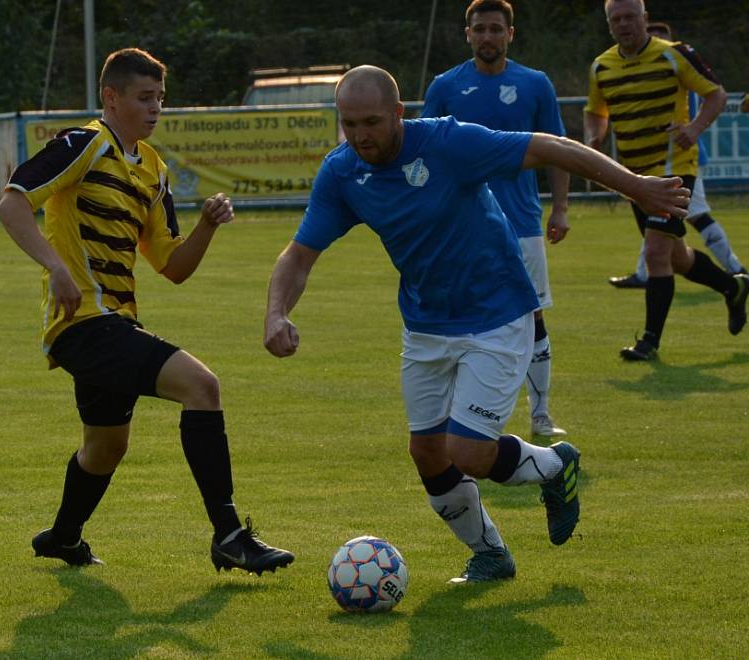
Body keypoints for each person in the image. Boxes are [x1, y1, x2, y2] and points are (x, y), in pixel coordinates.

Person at [263, 65, 690, 583]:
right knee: (426, 451)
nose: (359, 136)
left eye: (371, 122)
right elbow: (299, 255)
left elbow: (551, 146)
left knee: (466, 450)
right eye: (348, 124)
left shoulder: (448, 142)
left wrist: (635, 187)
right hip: (425, 323)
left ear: (400, 112)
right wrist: (277, 312)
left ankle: (555, 465)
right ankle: (489, 553)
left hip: (497, 312)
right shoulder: (343, 172)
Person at [0, 48, 294, 574]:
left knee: (105, 447)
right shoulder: (83, 144)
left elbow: (173, 266)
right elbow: (13, 202)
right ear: (111, 98)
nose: (155, 108)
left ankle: (64, 538)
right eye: (143, 98)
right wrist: (56, 267)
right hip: (82, 323)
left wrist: (206, 225)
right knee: (202, 387)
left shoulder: (154, 170)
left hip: (114, 324)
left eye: (160, 98)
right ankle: (229, 535)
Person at [421, 0, 569, 438]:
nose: (488, 36)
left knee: (533, 317)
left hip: (522, 223)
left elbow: (559, 151)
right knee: (457, 316)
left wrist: (560, 206)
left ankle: (541, 415)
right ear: (467, 34)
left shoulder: (535, 83)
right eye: (479, 29)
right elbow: (425, 152)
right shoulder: (445, 87)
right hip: (460, 228)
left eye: (495, 29)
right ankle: (457, 415)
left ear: (510, 34)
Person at [584, 0, 749, 361]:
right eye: (616, 19)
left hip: (674, 172)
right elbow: (596, 111)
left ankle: (649, 343)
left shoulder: (674, 53)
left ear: (645, 17)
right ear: (609, 25)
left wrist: (694, 128)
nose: (624, 24)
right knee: (676, 257)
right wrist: (594, 138)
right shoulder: (601, 67)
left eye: (630, 17)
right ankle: (733, 287)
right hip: (633, 178)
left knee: (656, 251)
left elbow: (716, 95)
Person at [608, 20, 746, 288]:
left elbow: (714, 97)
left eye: (661, 38)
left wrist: (693, 129)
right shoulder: (643, 68)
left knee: (693, 218)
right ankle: (646, 273)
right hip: (655, 162)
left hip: (682, 159)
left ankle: (736, 270)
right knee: (658, 225)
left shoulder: (678, 65)